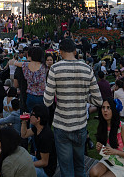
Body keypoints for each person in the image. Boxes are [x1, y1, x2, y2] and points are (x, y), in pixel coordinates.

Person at [43, 38, 102, 177]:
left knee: (66, 169)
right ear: (75, 51)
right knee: (80, 167)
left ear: (61, 52)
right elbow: (98, 100)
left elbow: (47, 101)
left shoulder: (55, 69)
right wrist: (82, 95)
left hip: (62, 125)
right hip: (80, 125)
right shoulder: (87, 68)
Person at [89, 99, 124, 177]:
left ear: (114, 110)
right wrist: (100, 149)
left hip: (123, 164)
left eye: (108, 108)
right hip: (108, 159)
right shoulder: (103, 126)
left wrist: (115, 152)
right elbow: (105, 151)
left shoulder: (123, 128)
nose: (105, 110)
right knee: (93, 172)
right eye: (103, 107)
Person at [20, 105, 57, 177]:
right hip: (38, 159)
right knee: (20, 157)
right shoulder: (37, 128)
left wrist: (28, 165)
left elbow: (44, 162)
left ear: (38, 119)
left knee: (22, 171)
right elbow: (24, 135)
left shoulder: (46, 136)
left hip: (46, 170)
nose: (29, 115)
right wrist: (24, 122)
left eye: (32, 114)